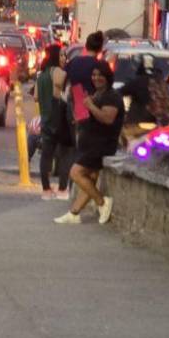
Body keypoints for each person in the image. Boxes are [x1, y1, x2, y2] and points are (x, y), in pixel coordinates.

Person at [55, 61, 120, 225]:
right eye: (94, 75)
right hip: (90, 142)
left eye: (100, 75)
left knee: (75, 173)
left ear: (107, 77)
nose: (96, 78)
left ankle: (102, 202)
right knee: (89, 179)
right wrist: (80, 116)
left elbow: (107, 118)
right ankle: (74, 213)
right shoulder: (97, 94)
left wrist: (90, 106)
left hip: (102, 145)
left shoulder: (112, 96)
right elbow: (89, 115)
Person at [36, 43, 75, 199]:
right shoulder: (58, 72)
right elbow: (67, 90)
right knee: (65, 154)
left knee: (46, 155)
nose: (64, 58)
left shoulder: (42, 75)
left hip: (45, 118)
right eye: (61, 55)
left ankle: (46, 190)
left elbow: (36, 97)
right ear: (55, 56)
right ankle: (62, 189)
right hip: (58, 117)